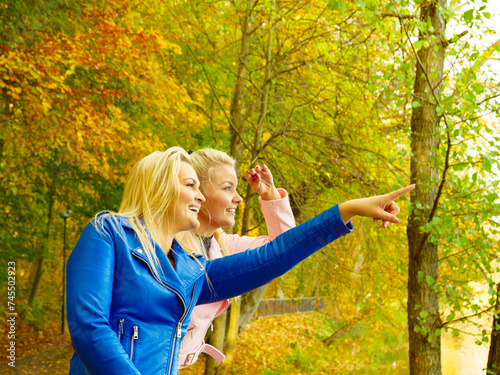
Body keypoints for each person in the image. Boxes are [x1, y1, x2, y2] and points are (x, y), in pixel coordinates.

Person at [66, 147, 414, 375]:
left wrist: (347, 210)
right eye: (190, 185)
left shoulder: (190, 269)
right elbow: (89, 327)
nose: (200, 196)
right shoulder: (108, 232)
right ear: (160, 187)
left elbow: (273, 256)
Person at [176, 148, 296, 368]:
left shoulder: (224, 246)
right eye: (227, 188)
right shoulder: (169, 244)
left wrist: (268, 192)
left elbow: (285, 249)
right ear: (198, 192)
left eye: (237, 189)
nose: (239, 198)